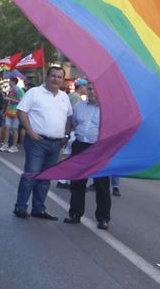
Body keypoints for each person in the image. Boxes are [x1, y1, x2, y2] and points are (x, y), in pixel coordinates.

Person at [13, 66, 73, 220]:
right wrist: (30, 131)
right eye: (53, 76)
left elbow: (69, 117)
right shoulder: (34, 93)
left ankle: (39, 209)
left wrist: (66, 135)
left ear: (62, 80)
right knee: (31, 174)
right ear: (46, 77)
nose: (56, 79)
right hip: (37, 141)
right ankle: (21, 207)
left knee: (46, 178)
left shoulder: (64, 96)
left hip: (56, 144)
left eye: (59, 77)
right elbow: (21, 111)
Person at [64, 82, 111, 230]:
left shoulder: (109, 109)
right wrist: (66, 136)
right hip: (80, 146)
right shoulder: (79, 106)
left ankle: (103, 218)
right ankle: (75, 214)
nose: (92, 92)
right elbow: (74, 123)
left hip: (99, 149)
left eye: (96, 89)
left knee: (101, 185)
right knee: (77, 183)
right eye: (90, 89)